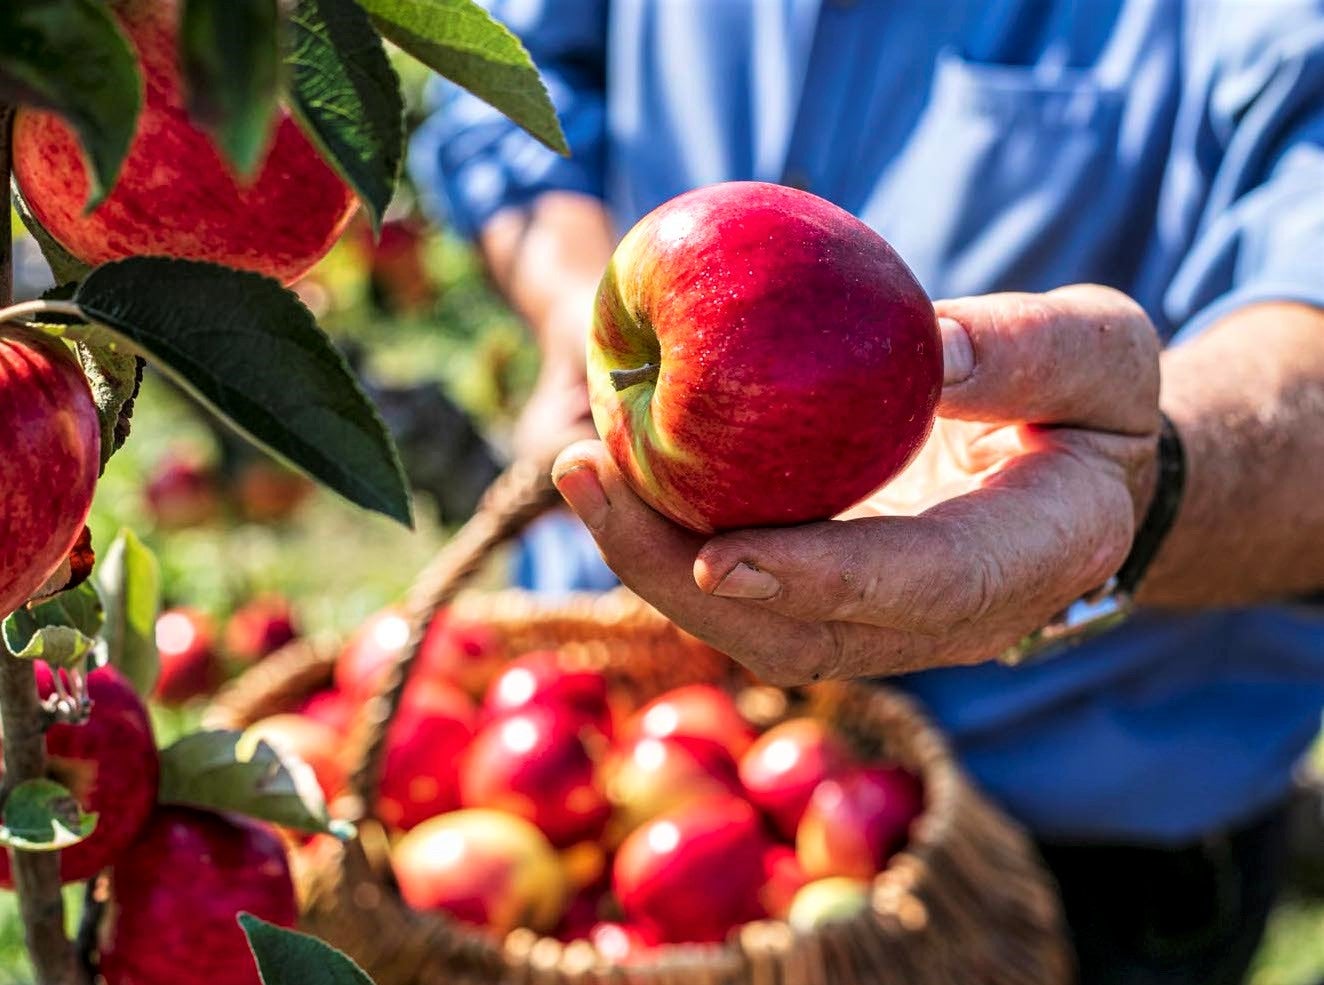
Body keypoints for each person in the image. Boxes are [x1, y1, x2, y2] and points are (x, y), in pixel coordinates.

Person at [410, 2, 1324, 981]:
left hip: (1068, 854)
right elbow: (505, 79)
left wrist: (1142, 481)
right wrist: (570, 301)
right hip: (615, 732)